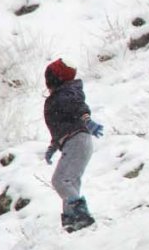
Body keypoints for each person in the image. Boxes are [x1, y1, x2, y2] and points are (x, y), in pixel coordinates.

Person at [43, 59, 104, 232]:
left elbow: (79, 107)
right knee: (70, 181)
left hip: (77, 139)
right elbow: (61, 124)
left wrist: (88, 121)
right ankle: (71, 220)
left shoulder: (67, 94)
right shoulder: (58, 96)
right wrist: (53, 146)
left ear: (56, 79)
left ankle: (81, 215)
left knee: (60, 180)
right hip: (72, 141)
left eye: (49, 77)